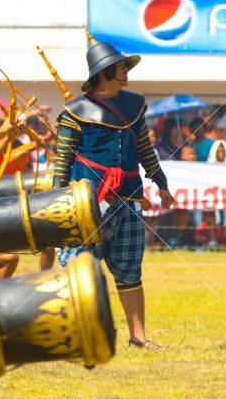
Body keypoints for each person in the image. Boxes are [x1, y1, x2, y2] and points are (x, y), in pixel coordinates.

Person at [53, 30, 175, 349]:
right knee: (78, 272)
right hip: (84, 203)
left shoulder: (134, 106)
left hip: (129, 197)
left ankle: (138, 338)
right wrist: (54, 204)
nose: (126, 71)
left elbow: (145, 150)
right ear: (105, 73)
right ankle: (76, 337)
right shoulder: (74, 113)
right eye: (121, 67)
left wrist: (161, 184)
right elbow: (62, 162)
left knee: (129, 270)